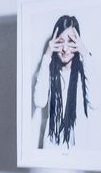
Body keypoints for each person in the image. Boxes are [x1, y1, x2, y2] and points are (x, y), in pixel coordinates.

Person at [31, 15, 91, 150]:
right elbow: (39, 102)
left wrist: (85, 53)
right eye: (60, 42)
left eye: (70, 41)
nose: (65, 49)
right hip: (52, 148)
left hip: (79, 150)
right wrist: (47, 55)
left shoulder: (84, 71)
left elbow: (95, 102)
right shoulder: (49, 72)